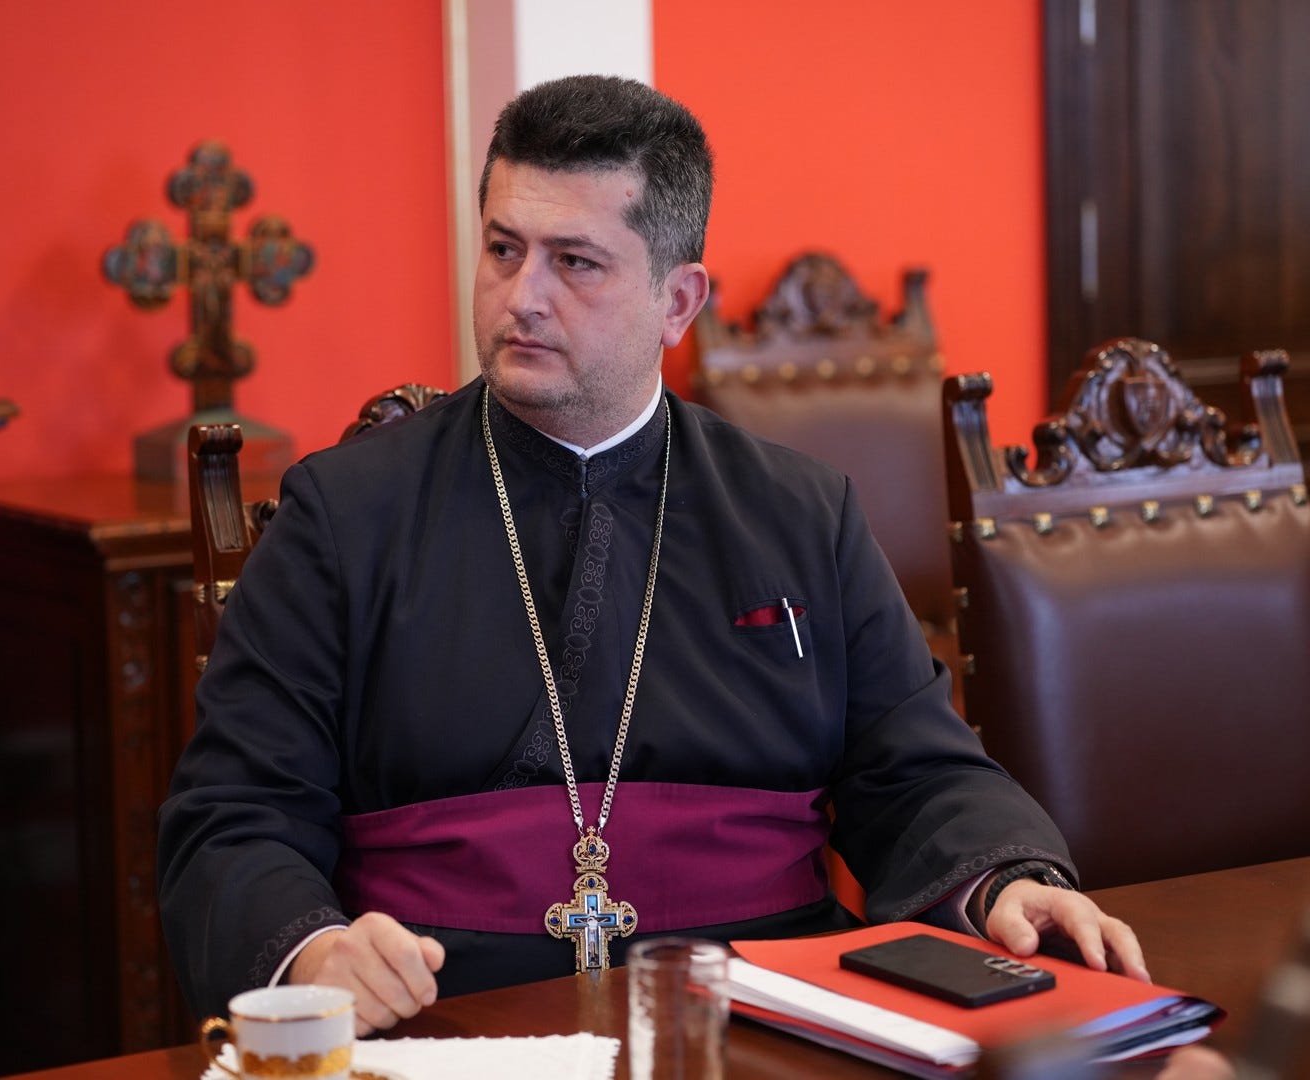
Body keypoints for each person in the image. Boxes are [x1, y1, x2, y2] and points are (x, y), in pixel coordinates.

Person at [157, 74, 1147, 1038]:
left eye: (575, 262)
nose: (521, 297)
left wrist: (1004, 880)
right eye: (503, 249)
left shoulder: (802, 513)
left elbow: (918, 772)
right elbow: (233, 815)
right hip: (448, 1026)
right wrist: (316, 952)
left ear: (679, 301)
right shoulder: (343, 514)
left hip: (764, 1020)